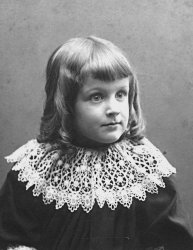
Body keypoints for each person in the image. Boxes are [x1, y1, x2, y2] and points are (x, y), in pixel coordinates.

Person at [0, 36, 192, 250]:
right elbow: (13, 236)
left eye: (121, 94)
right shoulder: (37, 167)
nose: (114, 109)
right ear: (66, 105)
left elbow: (177, 239)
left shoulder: (143, 168)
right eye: (97, 97)